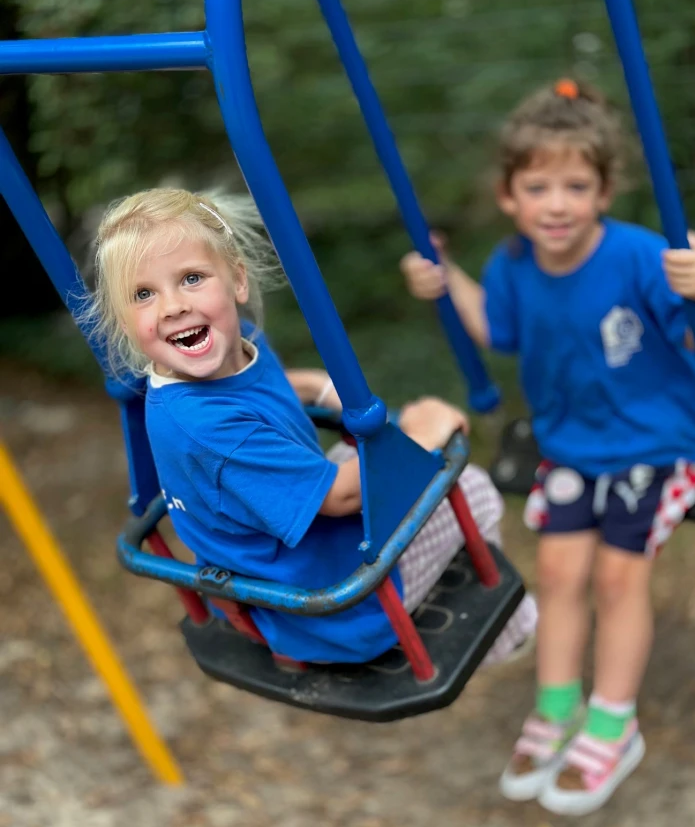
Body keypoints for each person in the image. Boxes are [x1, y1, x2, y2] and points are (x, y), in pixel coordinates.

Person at [399, 79, 695, 815]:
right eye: (539, 186)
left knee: (618, 578)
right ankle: (556, 708)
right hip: (573, 448)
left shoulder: (644, 258)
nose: (557, 203)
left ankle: (614, 722)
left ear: (605, 192)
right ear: (510, 195)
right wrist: (444, 279)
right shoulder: (513, 266)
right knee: (557, 572)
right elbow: (496, 329)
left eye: (576, 185)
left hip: (663, 444)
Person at [85, 187, 537, 668]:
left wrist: (319, 389)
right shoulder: (207, 429)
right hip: (328, 602)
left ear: (236, 280)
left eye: (191, 278)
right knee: (471, 485)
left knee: (367, 462)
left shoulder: (234, 348)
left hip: (300, 548)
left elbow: (271, 383)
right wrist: (425, 433)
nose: (173, 305)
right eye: (143, 294)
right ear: (125, 322)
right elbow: (340, 497)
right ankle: (510, 632)